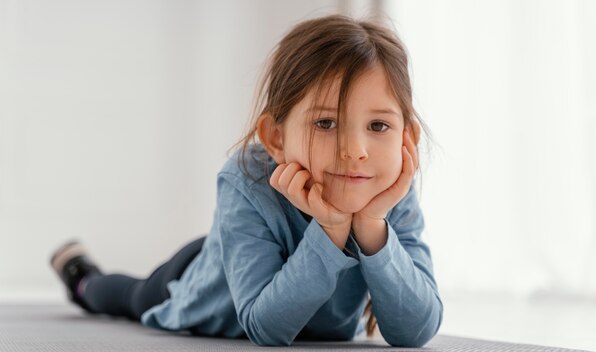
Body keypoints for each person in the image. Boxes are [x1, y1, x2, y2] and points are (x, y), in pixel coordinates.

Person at [50, 14, 443, 347]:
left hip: (246, 253)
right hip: (200, 278)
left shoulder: (386, 190)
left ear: (406, 138)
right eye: (325, 123)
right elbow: (265, 327)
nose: (356, 150)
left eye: (378, 125)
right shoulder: (245, 179)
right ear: (275, 137)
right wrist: (331, 229)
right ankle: (81, 276)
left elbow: (416, 330)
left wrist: (372, 228)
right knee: (125, 295)